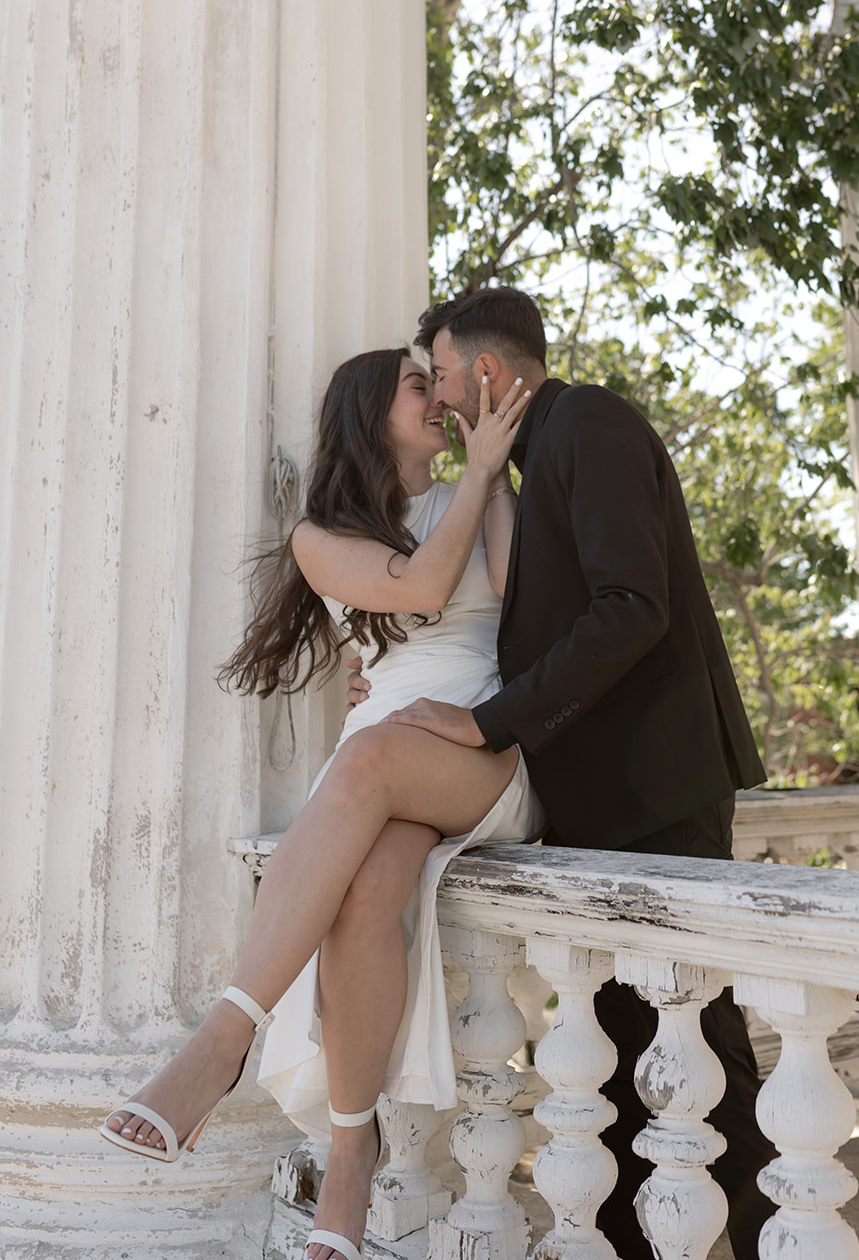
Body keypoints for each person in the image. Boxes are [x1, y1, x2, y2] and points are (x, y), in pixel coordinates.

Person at [355, 287, 777, 1260]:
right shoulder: (528, 463)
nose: (442, 392)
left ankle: (762, 1238)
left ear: (489, 371)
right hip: (596, 800)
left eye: (445, 371)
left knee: (694, 1036)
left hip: (656, 787)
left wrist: (486, 721)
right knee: (632, 1052)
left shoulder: (587, 421)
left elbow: (630, 606)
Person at [100, 346, 543, 1260]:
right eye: (419, 386)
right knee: (370, 891)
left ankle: (221, 1042)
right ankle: (352, 1153)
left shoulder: (484, 498)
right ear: (367, 413)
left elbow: (506, 594)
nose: (441, 396)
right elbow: (411, 586)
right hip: (382, 766)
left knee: (369, 756)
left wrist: (488, 475)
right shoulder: (319, 538)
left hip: (479, 752)